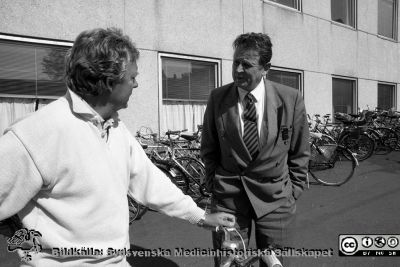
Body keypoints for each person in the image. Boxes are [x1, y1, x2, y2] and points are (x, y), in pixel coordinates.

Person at [0, 27, 235, 266]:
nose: (136, 84)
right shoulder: (37, 133)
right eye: (132, 77)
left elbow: (151, 181)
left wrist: (201, 217)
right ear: (107, 80)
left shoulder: (114, 127)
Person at [201, 32, 310, 266]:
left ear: (265, 67)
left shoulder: (290, 99)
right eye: (235, 62)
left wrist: (293, 192)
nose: (238, 69)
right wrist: (214, 185)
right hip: (229, 200)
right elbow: (208, 148)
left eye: (247, 64)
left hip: (276, 201)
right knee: (228, 263)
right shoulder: (218, 98)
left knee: (276, 263)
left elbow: (300, 151)